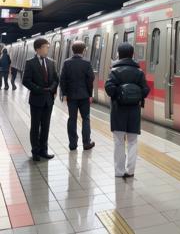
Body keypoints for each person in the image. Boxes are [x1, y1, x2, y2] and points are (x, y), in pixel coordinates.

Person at [105, 43, 149, 178]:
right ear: (132, 54)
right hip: (134, 111)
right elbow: (145, 90)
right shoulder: (139, 72)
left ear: (119, 54)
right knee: (132, 141)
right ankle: (130, 171)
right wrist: (136, 95)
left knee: (118, 141)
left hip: (118, 110)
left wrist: (119, 93)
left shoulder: (114, 71)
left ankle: (119, 171)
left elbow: (109, 89)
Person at [22, 38, 59, 161]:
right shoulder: (30, 63)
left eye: (48, 46)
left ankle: (44, 150)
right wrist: (38, 89)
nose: (47, 48)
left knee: (46, 126)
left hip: (48, 100)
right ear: (38, 49)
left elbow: (55, 79)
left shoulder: (51, 62)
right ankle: (35, 152)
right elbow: (25, 80)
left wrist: (51, 89)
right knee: (35, 126)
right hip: (36, 100)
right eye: (45, 46)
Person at [60, 40, 95, 151]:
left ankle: (72, 144)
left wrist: (64, 94)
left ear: (72, 50)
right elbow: (90, 79)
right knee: (86, 118)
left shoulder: (66, 62)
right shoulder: (86, 63)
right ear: (83, 50)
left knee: (72, 119)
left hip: (71, 96)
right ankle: (86, 143)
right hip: (84, 96)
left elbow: (62, 79)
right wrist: (90, 94)